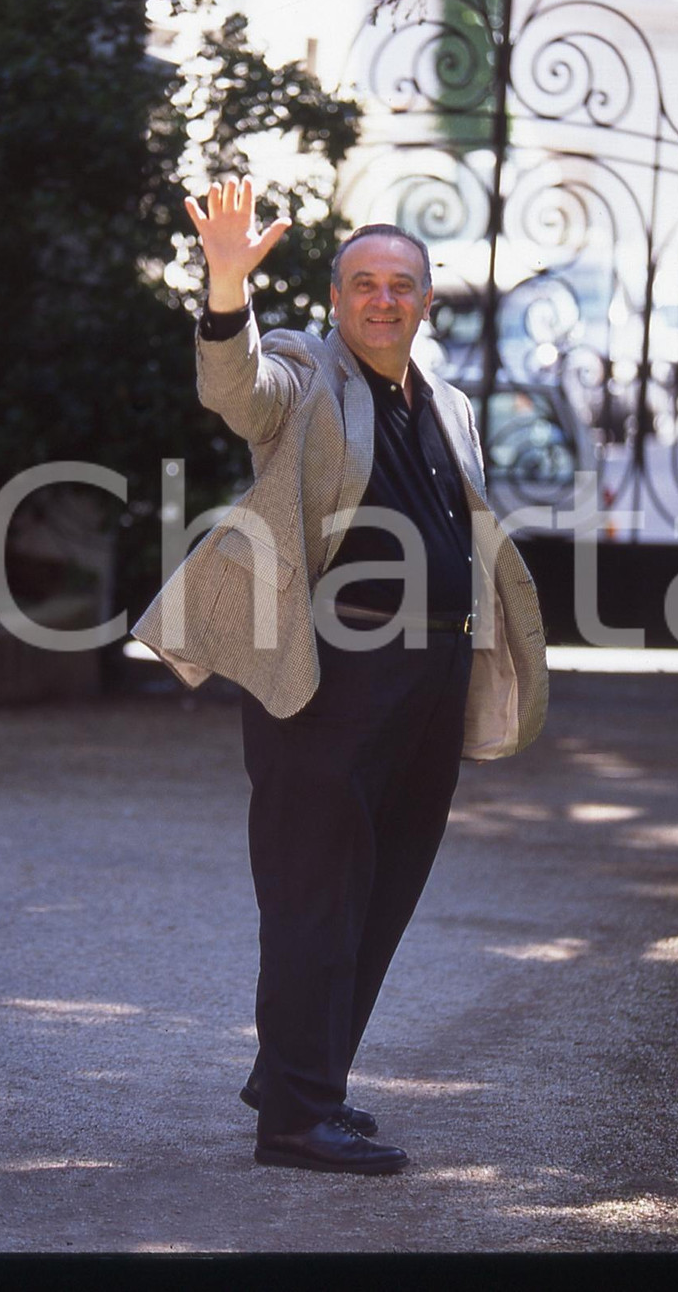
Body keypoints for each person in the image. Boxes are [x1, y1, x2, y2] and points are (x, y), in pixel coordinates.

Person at [132, 175, 548, 1174]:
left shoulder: (444, 400)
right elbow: (238, 391)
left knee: (382, 887)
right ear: (334, 299)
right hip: (331, 670)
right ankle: (293, 1126)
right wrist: (226, 289)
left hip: (434, 665)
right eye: (362, 282)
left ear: (426, 301)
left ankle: (300, 1081)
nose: (381, 299)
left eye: (400, 283)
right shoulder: (304, 372)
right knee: (314, 890)